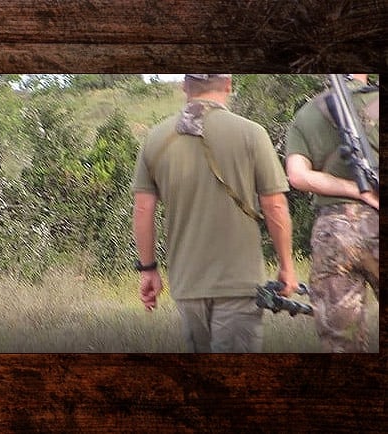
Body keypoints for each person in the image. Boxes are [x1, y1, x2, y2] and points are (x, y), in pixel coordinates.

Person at [132, 74, 298, 353]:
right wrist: (287, 266)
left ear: (185, 86)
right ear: (229, 84)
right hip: (239, 282)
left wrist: (148, 269)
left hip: (187, 284)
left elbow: (142, 209)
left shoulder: (155, 138)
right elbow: (275, 206)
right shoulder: (251, 133)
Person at [286, 74, 379, 353]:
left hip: (332, 234)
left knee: (341, 344)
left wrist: (353, 190)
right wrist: (364, 191)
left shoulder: (306, 114)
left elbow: (298, 176)